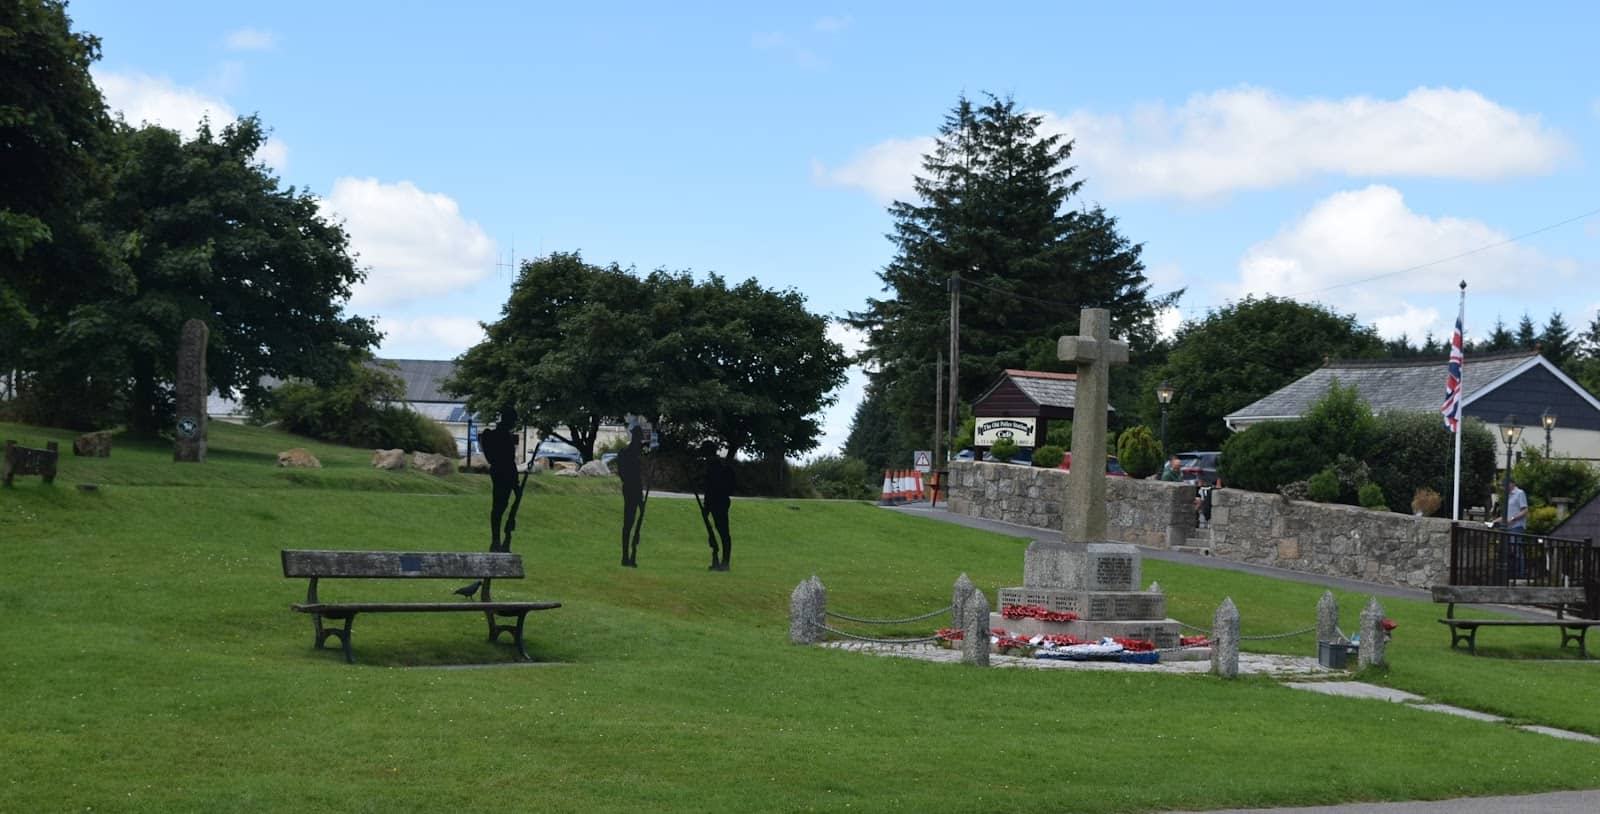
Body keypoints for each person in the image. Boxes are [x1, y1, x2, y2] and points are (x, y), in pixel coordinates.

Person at [479, 406, 520, 553]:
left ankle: (501, 538)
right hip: (502, 473)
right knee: (499, 507)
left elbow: (510, 461)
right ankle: (496, 540)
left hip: (505, 473)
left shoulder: (504, 435)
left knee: (502, 506)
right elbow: (505, 460)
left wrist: (516, 483)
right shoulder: (497, 435)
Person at [700, 441, 734, 571]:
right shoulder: (715, 464)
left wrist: (706, 507)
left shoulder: (714, 466)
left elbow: (711, 488)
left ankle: (725, 562)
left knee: (723, 532)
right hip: (719, 502)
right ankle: (721, 561)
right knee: (721, 532)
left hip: (717, 502)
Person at [618, 426, 645, 567]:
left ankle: (631, 554)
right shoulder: (626, 453)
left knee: (635, 524)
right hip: (630, 490)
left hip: (637, 491)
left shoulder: (637, 454)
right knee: (628, 524)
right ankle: (626, 556)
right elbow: (625, 475)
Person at [1505, 476, 1529, 579]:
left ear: (1511, 483)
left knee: (1517, 550)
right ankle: (1513, 573)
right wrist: (1494, 521)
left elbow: (1525, 510)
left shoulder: (1519, 493)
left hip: (1517, 526)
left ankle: (1521, 573)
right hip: (1508, 527)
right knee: (1511, 551)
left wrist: (1513, 518)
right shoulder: (1508, 496)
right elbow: (1506, 513)